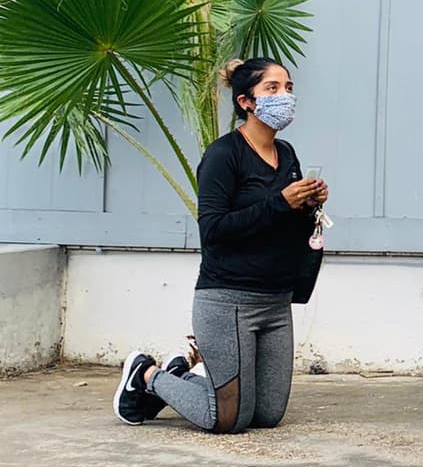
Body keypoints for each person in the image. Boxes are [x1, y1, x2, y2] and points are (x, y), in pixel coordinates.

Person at [112, 58, 328, 432]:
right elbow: (213, 229)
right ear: (246, 102)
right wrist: (281, 202)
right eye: (272, 89)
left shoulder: (287, 154)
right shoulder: (223, 155)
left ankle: (180, 372)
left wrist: (306, 204)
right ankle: (147, 374)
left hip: (275, 302)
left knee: (266, 416)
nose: (285, 96)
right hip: (228, 301)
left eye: (288, 88)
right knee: (226, 419)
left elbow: (278, 221)